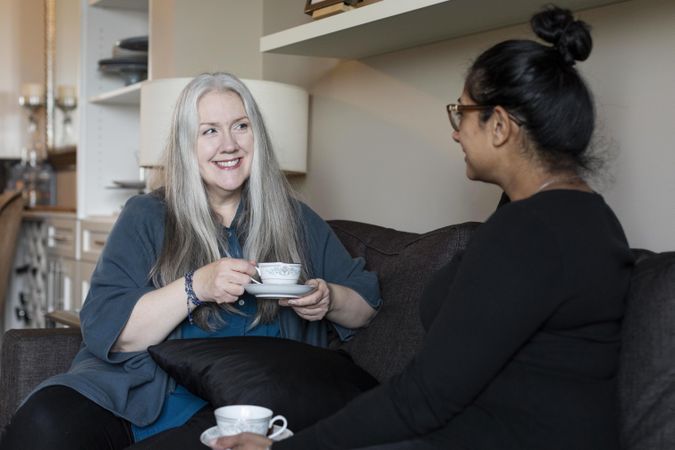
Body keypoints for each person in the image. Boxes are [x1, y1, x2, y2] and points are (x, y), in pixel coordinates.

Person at [211, 5, 634, 450]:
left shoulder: (531, 233)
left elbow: (423, 399)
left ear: (501, 126)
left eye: (462, 114)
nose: (455, 133)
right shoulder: (585, 217)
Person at [0, 73, 381, 450]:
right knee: (43, 424)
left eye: (241, 126)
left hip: (237, 406)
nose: (228, 144)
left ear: (257, 137)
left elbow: (364, 307)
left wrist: (328, 297)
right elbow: (110, 330)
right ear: (186, 144)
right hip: (136, 392)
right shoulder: (147, 215)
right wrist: (196, 286)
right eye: (209, 131)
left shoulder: (295, 219)